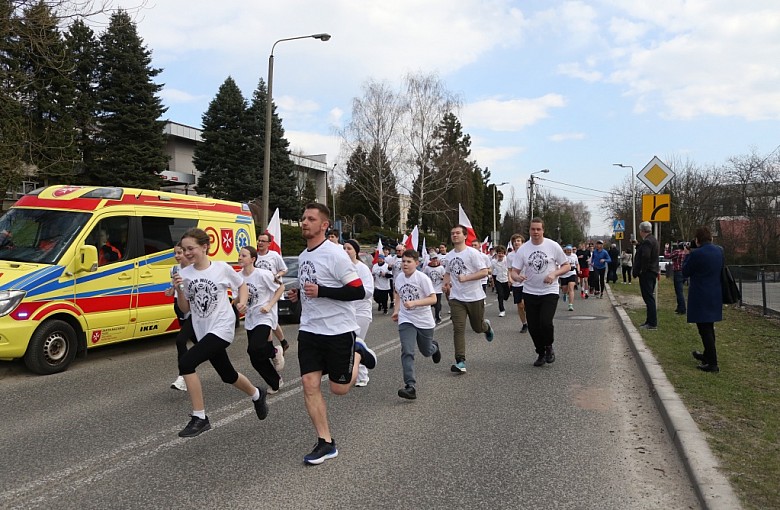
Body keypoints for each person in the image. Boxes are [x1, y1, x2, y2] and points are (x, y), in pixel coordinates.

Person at [286, 203, 376, 465]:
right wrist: (298, 294)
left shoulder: (335, 254)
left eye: (311, 219)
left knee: (339, 389)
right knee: (309, 384)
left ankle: (358, 353)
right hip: (309, 330)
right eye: (303, 218)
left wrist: (322, 291)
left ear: (324, 225)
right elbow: (311, 285)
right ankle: (325, 442)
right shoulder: (304, 256)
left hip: (338, 331)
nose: (304, 222)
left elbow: (357, 291)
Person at [172, 228, 268, 438]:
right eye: (184, 250)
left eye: (191, 248)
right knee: (228, 375)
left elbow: (242, 285)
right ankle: (257, 394)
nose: (187, 253)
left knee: (186, 363)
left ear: (204, 247)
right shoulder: (184, 275)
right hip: (203, 330)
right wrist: (179, 289)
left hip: (222, 327)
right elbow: (185, 309)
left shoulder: (221, 268)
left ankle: (200, 417)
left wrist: (242, 302)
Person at [511, 218, 571, 367]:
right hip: (530, 291)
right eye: (533, 229)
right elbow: (514, 271)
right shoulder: (523, 249)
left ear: (543, 230)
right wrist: (517, 277)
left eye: (538, 229)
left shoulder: (552, 246)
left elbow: (566, 266)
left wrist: (554, 274)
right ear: (529, 231)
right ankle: (540, 352)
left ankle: (548, 346)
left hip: (549, 291)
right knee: (533, 326)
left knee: (545, 322)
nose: (535, 232)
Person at [442, 224, 494, 373]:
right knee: (458, 329)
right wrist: (446, 284)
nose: (454, 235)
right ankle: (460, 361)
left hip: (474, 297)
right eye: (452, 233)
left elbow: (484, 272)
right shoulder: (449, 256)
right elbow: (448, 273)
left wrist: (466, 278)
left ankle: (486, 327)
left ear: (465, 236)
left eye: (458, 233)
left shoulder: (473, 253)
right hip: (456, 298)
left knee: (477, 328)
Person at [392, 249, 442, 399]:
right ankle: (410, 386)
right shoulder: (399, 278)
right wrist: (396, 310)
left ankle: (434, 347)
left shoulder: (422, 278)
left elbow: (433, 299)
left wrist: (415, 303)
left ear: (416, 263)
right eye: (403, 261)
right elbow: (398, 294)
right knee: (407, 350)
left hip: (423, 320)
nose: (405, 264)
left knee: (426, 351)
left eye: (409, 261)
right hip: (406, 319)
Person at [239, 245, 285, 394]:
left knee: (255, 347)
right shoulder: (238, 277)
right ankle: (275, 380)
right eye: (240, 255)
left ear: (253, 259)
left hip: (265, 316)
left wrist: (269, 305)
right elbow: (237, 298)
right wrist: (240, 305)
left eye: (244, 255)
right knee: (254, 357)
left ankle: (272, 351)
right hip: (251, 318)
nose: (240, 258)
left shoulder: (263, 274)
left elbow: (281, 288)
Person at [683, 227, 723, 372]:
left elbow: (685, 271)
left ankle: (712, 364)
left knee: (704, 329)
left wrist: (687, 255)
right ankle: (707, 356)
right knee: (709, 327)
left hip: (701, 294)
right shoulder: (719, 251)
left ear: (697, 240)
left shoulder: (697, 254)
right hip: (715, 293)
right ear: (711, 238)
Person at [343, 239, 374, 387]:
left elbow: (369, 291)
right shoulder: (341, 268)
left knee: (357, 343)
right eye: (344, 248)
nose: (346, 251)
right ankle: (350, 372)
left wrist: (351, 292)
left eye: (349, 248)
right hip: (345, 311)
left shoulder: (362, 268)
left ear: (356, 251)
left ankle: (362, 376)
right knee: (347, 343)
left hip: (361, 311)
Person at [254, 231, 290, 354]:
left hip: (273, 290)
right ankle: (282, 342)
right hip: (260, 291)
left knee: (269, 317)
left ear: (269, 243)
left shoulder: (274, 256)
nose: (260, 243)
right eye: (259, 240)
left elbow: (284, 269)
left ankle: (272, 347)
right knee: (268, 318)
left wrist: (277, 275)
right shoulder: (254, 256)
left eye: (263, 241)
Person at [167, 242, 195, 392]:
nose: (177, 256)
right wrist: (171, 290)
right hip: (179, 307)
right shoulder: (174, 270)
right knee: (198, 342)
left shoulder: (194, 270)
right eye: (175, 253)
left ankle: (183, 376)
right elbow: (175, 287)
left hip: (193, 309)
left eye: (179, 253)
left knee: (181, 340)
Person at [632, 221, 660, 330]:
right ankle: (649, 321)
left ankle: (652, 323)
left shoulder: (647, 241)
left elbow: (646, 256)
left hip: (647, 273)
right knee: (649, 297)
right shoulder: (653, 240)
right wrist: (638, 245)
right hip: (652, 271)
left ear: (642, 231)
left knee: (648, 298)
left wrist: (642, 270)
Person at [506, 234, 529, 332]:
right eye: (515, 241)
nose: (516, 243)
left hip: (528, 282)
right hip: (516, 283)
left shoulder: (527, 253)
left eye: (518, 241)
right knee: (520, 305)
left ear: (522, 243)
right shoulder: (510, 256)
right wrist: (510, 279)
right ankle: (524, 324)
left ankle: (531, 321)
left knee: (526, 304)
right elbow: (509, 269)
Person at [423, 253, 446, 323]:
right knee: (430, 303)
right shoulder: (427, 268)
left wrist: (443, 279)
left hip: (438, 288)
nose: (435, 260)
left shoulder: (441, 268)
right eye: (433, 259)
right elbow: (423, 277)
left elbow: (445, 276)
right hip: (430, 289)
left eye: (436, 258)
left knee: (437, 304)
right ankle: (427, 317)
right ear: (430, 260)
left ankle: (437, 317)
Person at [491, 245, 510, 317]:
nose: (501, 255)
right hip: (498, 280)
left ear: (504, 254)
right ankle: (502, 310)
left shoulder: (507, 260)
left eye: (502, 253)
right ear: (497, 253)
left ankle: (505, 297)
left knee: (506, 295)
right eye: (499, 253)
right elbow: (491, 269)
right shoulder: (493, 262)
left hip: (506, 280)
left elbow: (511, 269)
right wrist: (489, 276)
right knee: (500, 295)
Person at [559, 245, 579, 311]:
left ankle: (570, 305)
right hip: (563, 274)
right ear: (565, 250)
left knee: (571, 288)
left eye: (570, 250)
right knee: (564, 288)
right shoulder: (562, 256)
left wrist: (578, 270)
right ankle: (565, 293)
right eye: (568, 250)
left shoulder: (574, 256)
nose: (569, 251)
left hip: (572, 273)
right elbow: (558, 265)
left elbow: (577, 264)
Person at [670, 241, 687, 314]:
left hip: (678, 272)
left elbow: (668, 256)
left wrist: (666, 249)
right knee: (680, 291)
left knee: (679, 292)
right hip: (684, 272)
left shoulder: (677, 252)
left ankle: (682, 308)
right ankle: (679, 307)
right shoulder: (685, 253)